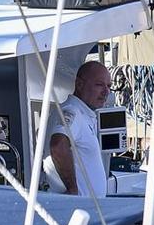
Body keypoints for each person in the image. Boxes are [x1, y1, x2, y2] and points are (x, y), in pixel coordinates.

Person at [45, 60, 110, 200]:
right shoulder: (72, 111)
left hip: (87, 209)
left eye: (109, 86)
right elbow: (58, 146)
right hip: (77, 208)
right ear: (79, 84)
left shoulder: (83, 114)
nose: (106, 91)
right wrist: (72, 189)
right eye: (99, 85)